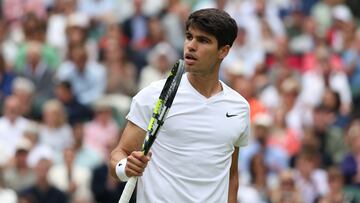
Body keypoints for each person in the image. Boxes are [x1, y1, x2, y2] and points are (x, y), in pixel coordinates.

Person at [110, 8, 250, 203]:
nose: (191, 46)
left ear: (223, 51)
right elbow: (119, 154)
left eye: (203, 40)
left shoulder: (239, 108)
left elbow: (231, 174)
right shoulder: (153, 95)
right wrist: (124, 167)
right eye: (189, 37)